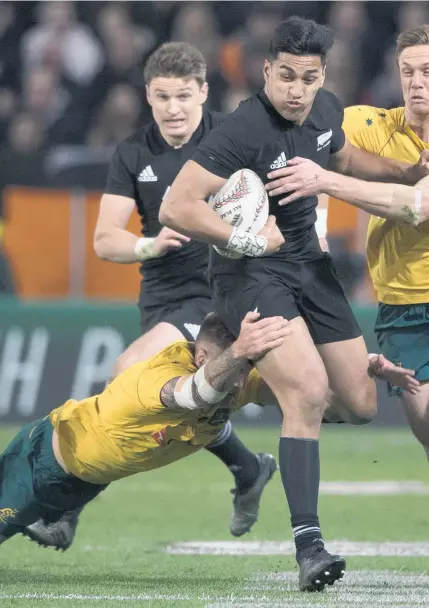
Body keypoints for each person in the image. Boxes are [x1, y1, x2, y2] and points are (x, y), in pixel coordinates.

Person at [159, 17, 429, 592]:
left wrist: (407, 172)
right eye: (286, 76)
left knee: (358, 404)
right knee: (308, 392)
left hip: (312, 267)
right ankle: (309, 546)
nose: (296, 90)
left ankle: (247, 382)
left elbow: (346, 160)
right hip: (250, 273)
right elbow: (177, 207)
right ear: (267, 72)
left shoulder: (326, 109)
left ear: (322, 77)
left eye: (308, 78)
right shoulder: (241, 130)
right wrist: (250, 240)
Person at [27, 42, 275, 552]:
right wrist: (150, 243)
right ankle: (248, 468)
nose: (174, 108)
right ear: (148, 96)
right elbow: (105, 239)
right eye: (162, 96)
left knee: (126, 379)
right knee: (183, 402)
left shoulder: (234, 139)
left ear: (204, 92)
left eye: (184, 95)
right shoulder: (134, 153)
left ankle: (68, 507)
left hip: (216, 293)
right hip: (161, 298)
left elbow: (273, 207)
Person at [0, 312, 419, 571]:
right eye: (241, 365)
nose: (246, 382)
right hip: (41, 464)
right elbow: (187, 396)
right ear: (205, 358)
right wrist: (237, 353)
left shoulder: (237, 378)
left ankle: (249, 470)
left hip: (84, 483)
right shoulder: (155, 376)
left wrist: (359, 376)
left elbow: (319, 402)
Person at [274, 26, 429, 515]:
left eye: (428, 71)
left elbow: (419, 204)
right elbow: (298, 125)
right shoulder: (368, 125)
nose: (416, 82)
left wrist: (326, 181)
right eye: (407, 72)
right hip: (406, 312)